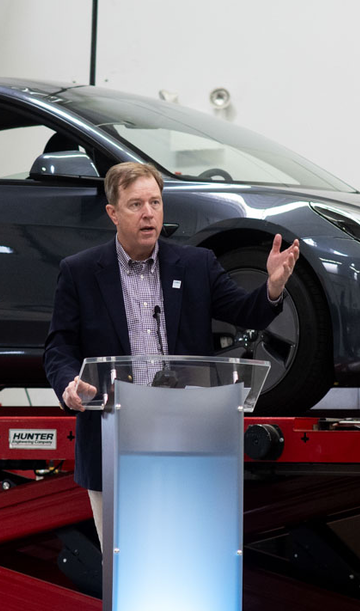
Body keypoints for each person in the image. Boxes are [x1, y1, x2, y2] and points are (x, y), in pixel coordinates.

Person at [43, 160, 300, 533]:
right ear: (113, 213)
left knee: (188, 547)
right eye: (136, 205)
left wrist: (272, 287)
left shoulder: (195, 264)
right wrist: (68, 383)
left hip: (186, 435)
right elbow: (59, 346)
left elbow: (246, 312)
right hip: (113, 437)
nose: (148, 213)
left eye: (155, 202)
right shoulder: (80, 271)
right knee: (122, 558)